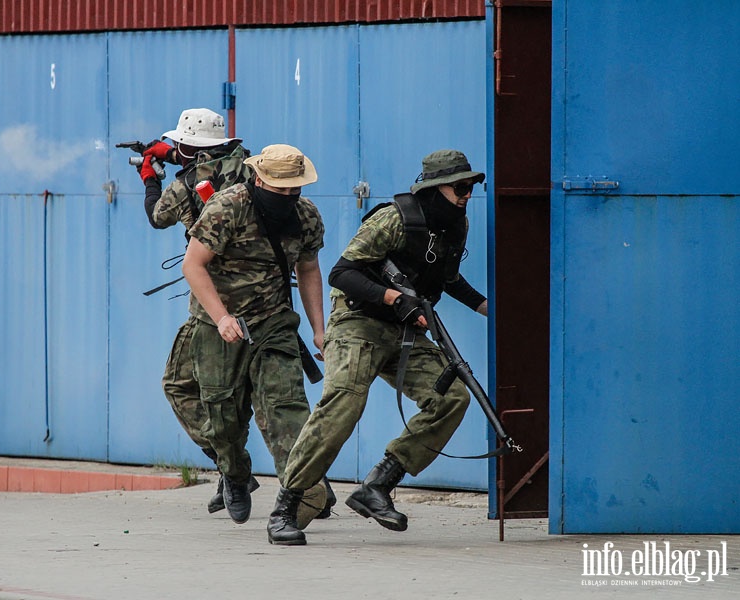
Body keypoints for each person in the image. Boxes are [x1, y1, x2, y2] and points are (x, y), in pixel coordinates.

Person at [267, 149, 489, 545]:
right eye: (460, 186)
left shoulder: (456, 225)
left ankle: (378, 484)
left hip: (403, 330)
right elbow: (341, 272)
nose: (468, 193)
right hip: (358, 324)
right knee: (344, 402)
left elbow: (449, 279)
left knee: (453, 396)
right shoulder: (395, 218)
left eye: (472, 185)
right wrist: (394, 299)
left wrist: (487, 308)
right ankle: (287, 505)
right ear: (436, 188)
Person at [181, 144, 329, 525]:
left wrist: (318, 330)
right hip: (220, 325)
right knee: (223, 418)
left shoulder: (306, 215)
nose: (288, 196)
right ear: (259, 178)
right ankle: (235, 474)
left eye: (294, 189)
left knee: (287, 407)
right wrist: (221, 318)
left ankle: (296, 502)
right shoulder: (228, 207)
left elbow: (309, 269)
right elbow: (193, 265)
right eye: (280, 189)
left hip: (274, 322)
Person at [138, 108, 258, 514]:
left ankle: (231, 467)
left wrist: (149, 176)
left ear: (189, 146)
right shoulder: (252, 166)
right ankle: (309, 486)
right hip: (265, 296)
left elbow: (158, 218)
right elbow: (215, 160)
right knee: (270, 400)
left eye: (179, 145)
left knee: (180, 385)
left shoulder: (186, 183)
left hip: (213, 304)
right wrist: (170, 154)